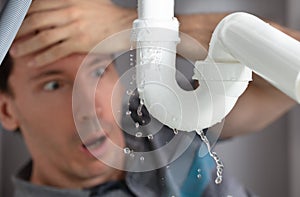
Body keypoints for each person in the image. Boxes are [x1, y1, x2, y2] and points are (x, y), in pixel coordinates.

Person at [1, 0, 300, 196]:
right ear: (6, 110)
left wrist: (132, 27)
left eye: (97, 72)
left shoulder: (158, 116)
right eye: (53, 85)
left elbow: (291, 66)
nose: (89, 109)